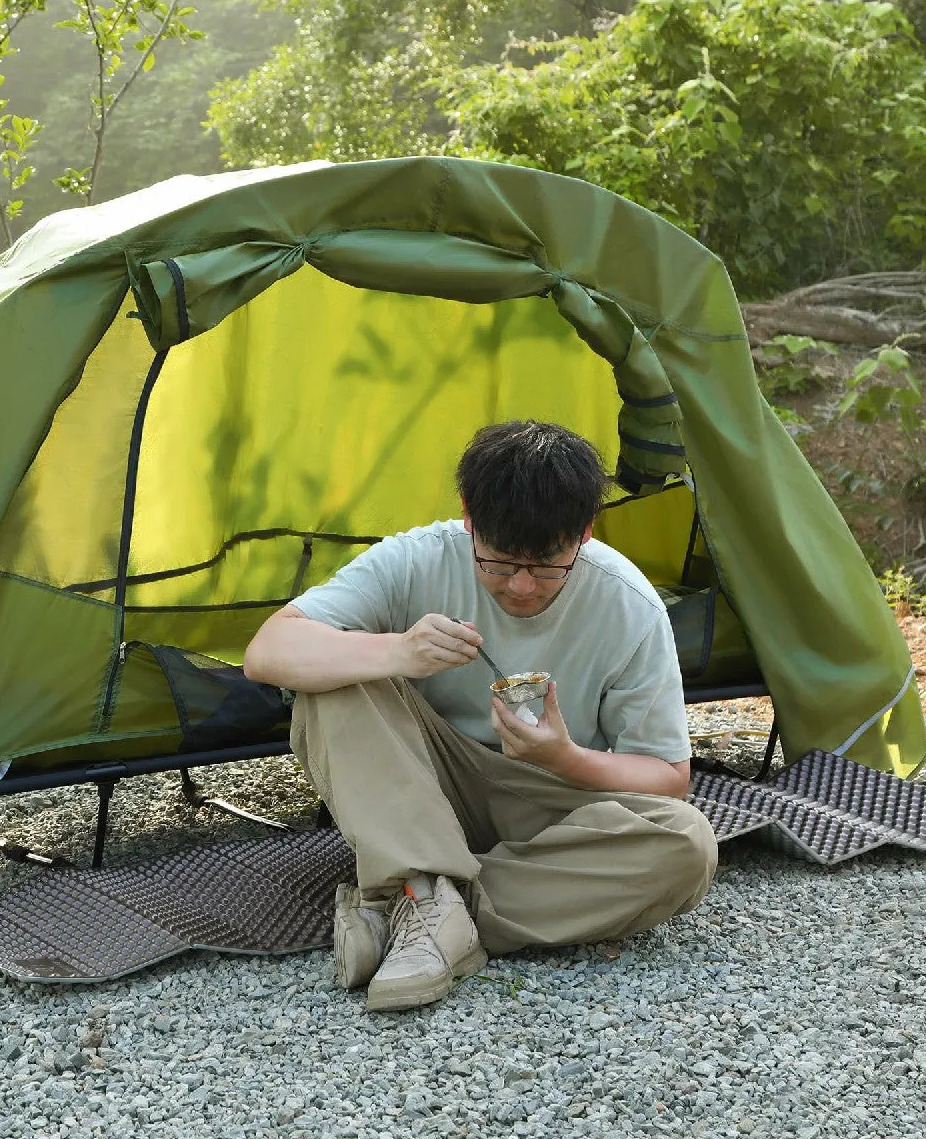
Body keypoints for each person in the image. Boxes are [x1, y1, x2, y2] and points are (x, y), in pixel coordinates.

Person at [243, 420, 717, 1012]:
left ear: (585, 533)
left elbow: (670, 778)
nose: (521, 587)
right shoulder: (415, 560)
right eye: (498, 563)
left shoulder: (628, 604)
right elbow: (268, 652)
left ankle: (418, 909)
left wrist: (562, 755)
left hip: (553, 803)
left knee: (687, 845)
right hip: (425, 791)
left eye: (547, 567)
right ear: (469, 518)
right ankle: (424, 887)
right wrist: (399, 652)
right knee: (334, 677)